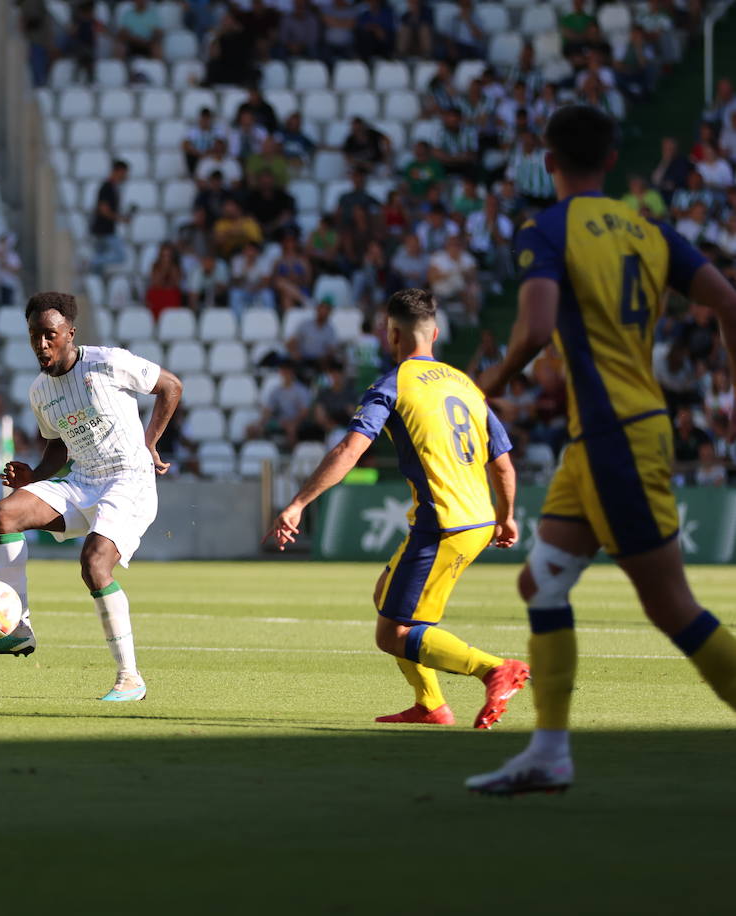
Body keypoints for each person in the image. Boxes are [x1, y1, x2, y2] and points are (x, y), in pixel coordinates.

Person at [467, 106, 736, 795]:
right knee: (541, 582)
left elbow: (533, 328)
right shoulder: (651, 232)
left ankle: (550, 752)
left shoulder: (547, 230)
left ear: (547, 161)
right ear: (612, 161)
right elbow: (728, 303)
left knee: (671, 604)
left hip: (618, 437)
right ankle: (549, 753)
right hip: (602, 438)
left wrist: (490, 382)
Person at [273, 288, 526, 728]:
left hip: (442, 523)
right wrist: (505, 517)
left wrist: (298, 503)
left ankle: (493, 670)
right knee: (385, 595)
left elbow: (350, 449)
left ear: (390, 334)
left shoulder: (391, 385)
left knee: (392, 633)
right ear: (436, 333)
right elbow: (502, 463)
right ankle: (430, 705)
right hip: (477, 519)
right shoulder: (465, 385)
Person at [0, 292, 182, 702]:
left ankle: (130, 678)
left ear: (70, 333)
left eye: (50, 334)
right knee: (2, 514)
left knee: (94, 564)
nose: (41, 344)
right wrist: (33, 476)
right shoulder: (39, 391)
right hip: (82, 481)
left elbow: (171, 386)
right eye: (34, 335)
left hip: (128, 480)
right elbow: (58, 447)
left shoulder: (108, 362)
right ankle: (18, 628)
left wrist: (150, 443)